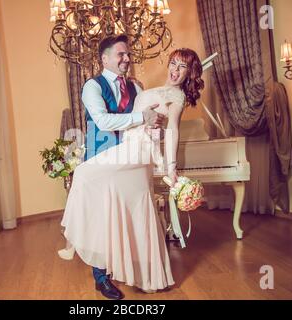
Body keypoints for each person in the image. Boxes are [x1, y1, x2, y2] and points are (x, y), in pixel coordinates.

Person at [61, 36, 204, 299]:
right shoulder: (92, 86)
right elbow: (104, 121)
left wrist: (170, 163)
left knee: (136, 214)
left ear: (189, 73)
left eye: (128, 55)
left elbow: (170, 129)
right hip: (108, 153)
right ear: (105, 59)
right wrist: (145, 119)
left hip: (135, 157)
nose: (127, 59)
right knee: (105, 213)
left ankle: (142, 272)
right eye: (121, 55)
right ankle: (102, 276)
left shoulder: (139, 87)